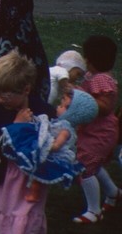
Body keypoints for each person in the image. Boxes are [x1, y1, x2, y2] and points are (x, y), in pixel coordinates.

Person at [0, 52, 52, 233]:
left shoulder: (42, 110)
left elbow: (48, 140)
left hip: (27, 179)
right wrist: (16, 127)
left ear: (26, 89)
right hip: (2, 174)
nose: (0, 99)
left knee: (22, 214)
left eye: (6, 95)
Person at [3, 84, 90, 203]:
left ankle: (34, 193)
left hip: (54, 155)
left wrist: (48, 146)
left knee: (39, 171)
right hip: (51, 150)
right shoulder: (59, 123)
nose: (57, 107)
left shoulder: (65, 130)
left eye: (61, 106)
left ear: (71, 113)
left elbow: (57, 145)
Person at [72, 35, 119, 225]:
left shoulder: (101, 80)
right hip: (92, 130)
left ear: (91, 60)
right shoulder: (94, 76)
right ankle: (113, 193)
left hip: (101, 132)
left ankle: (94, 210)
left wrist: (81, 96)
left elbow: (105, 107)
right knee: (94, 164)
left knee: (84, 166)